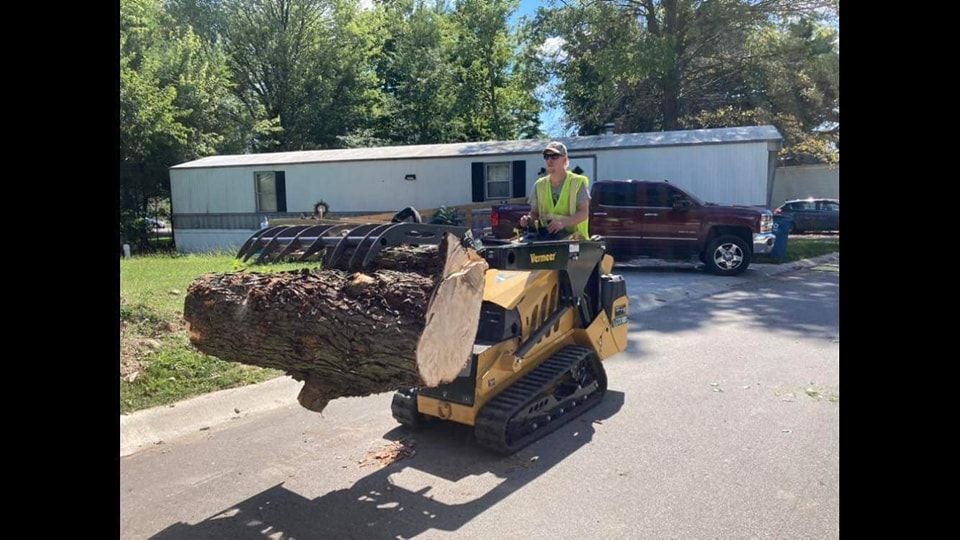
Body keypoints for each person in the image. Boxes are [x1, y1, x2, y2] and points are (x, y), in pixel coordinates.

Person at [519, 141, 590, 239]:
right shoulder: (539, 185)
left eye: (554, 156)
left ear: (565, 159)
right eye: (546, 157)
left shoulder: (577, 182)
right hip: (548, 238)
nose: (549, 160)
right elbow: (534, 213)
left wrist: (563, 223)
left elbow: (584, 213)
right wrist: (528, 219)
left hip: (575, 240)